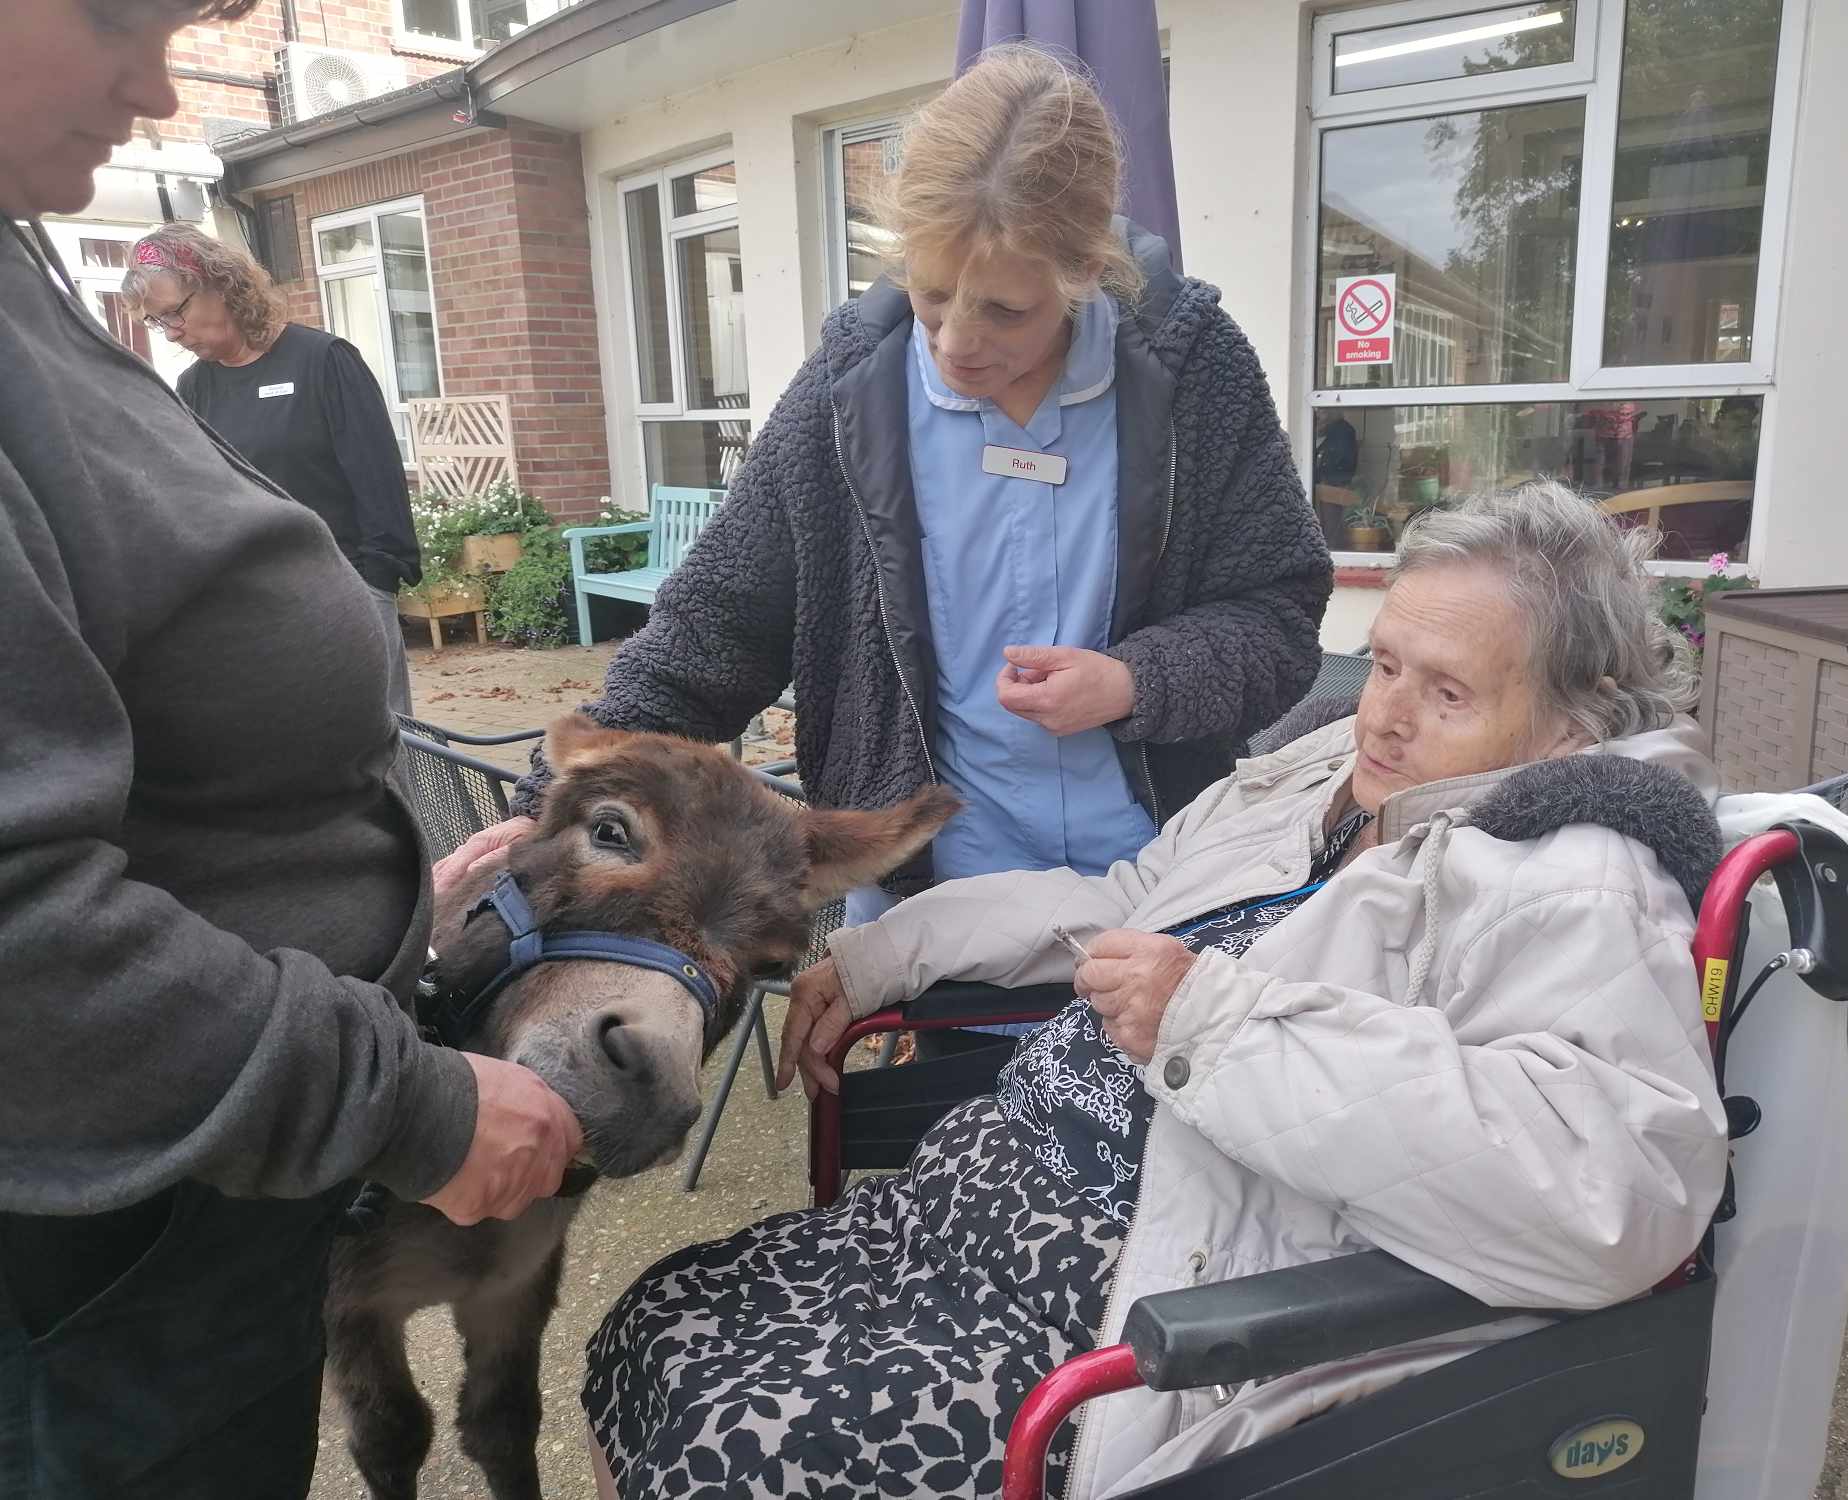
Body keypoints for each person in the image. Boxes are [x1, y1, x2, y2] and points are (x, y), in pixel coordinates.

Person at [581, 485, 1731, 1500]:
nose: (1380, 714)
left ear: (1570, 716)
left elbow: (1608, 1194)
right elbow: (1123, 894)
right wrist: (881, 953)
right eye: (1382, 664)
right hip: (960, 1222)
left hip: (1121, 1303)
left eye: (1445, 693)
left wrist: (1214, 1025)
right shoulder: (1321, 778)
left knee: (723, 1452)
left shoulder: (1568, 870)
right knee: (655, 1321)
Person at [0, 5, 579, 1495]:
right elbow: (22, 927)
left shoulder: (26, 266)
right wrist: (407, 1101)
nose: (152, 82)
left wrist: (379, 903)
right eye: (115, 14)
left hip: (194, 1181)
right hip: (113, 1220)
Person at [510, 48, 1331, 1054]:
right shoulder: (846, 394)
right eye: (933, 294)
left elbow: (1277, 618)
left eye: (1004, 311)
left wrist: (1135, 680)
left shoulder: (1191, 369)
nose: (952, 343)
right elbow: (709, 633)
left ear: (1087, 272)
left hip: (1160, 884)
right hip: (933, 903)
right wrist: (542, 816)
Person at [123, 222, 422, 711]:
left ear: (220, 284)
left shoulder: (323, 361)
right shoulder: (194, 388)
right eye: (158, 322)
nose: (173, 332)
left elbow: (379, 482)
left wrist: (377, 584)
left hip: (348, 591)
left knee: (382, 747)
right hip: (256, 609)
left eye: (175, 312)